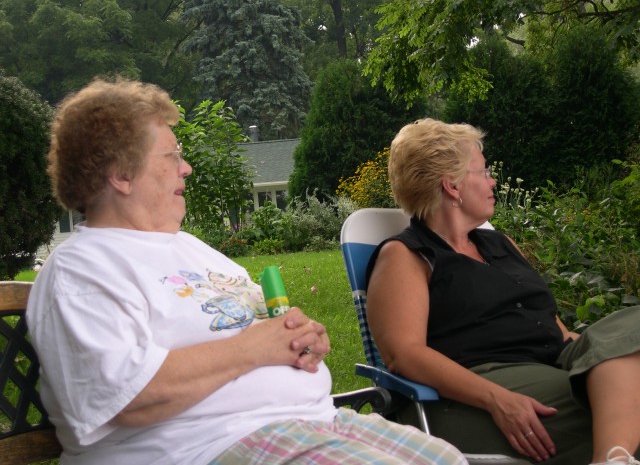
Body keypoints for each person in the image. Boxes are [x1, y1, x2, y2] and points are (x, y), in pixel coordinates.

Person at [25, 79, 467, 465]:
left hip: (309, 424)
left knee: (447, 458)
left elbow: (262, 331)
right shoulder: (81, 270)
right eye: (172, 156)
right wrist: (256, 348)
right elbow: (124, 398)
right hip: (197, 448)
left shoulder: (191, 249)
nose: (186, 167)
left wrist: (299, 340)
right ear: (121, 173)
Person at [366, 118, 640, 465]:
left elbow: (548, 320)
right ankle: (614, 453)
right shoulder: (407, 256)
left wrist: (597, 353)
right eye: (484, 171)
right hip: (478, 387)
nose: (493, 181)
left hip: (553, 364)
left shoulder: (500, 244)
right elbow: (404, 356)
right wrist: (497, 399)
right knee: (620, 411)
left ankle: (610, 457)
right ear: (452, 185)